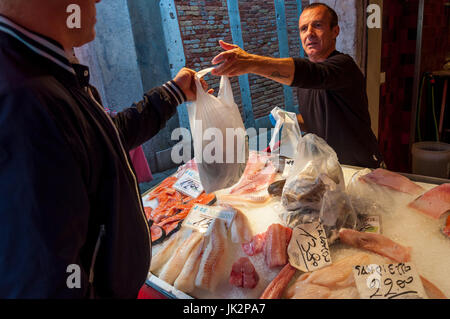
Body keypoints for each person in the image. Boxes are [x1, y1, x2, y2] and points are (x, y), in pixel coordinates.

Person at [0, 0, 209, 298]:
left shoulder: (46, 72)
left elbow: (104, 138)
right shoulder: (19, 100)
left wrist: (172, 93)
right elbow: (41, 282)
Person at [211, 3, 383, 168]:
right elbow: (315, 119)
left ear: (335, 31)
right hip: (330, 167)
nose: (309, 33)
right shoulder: (305, 83)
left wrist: (250, 62)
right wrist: (288, 120)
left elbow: (311, 72)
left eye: (317, 25)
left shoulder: (343, 66)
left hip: (361, 168)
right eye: (303, 28)